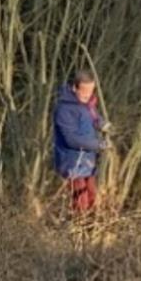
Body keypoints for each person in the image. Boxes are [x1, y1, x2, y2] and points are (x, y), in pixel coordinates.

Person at [52, 70, 111, 212]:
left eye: (91, 91)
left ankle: (91, 231)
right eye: (84, 92)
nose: (88, 95)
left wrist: (102, 124)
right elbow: (71, 139)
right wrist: (99, 145)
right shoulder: (64, 109)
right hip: (72, 163)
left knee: (92, 199)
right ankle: (77, 231)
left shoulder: (87, 104)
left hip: (87, 162)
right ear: (74, 88)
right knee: (80, 204)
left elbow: (93, 118)